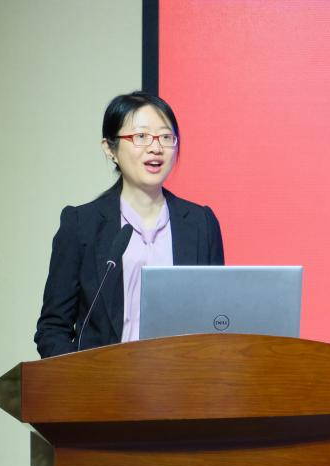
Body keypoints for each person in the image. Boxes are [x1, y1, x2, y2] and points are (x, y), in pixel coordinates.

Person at [34, 92, 224, 358]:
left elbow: (218, 319)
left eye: (166, 137)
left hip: (180, 377)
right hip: (103, 379)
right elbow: (53, 329)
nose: (155, 148)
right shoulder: (81, 225)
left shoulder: (201, 223)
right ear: (110, 148)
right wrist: (81, 376)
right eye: (141, 136)